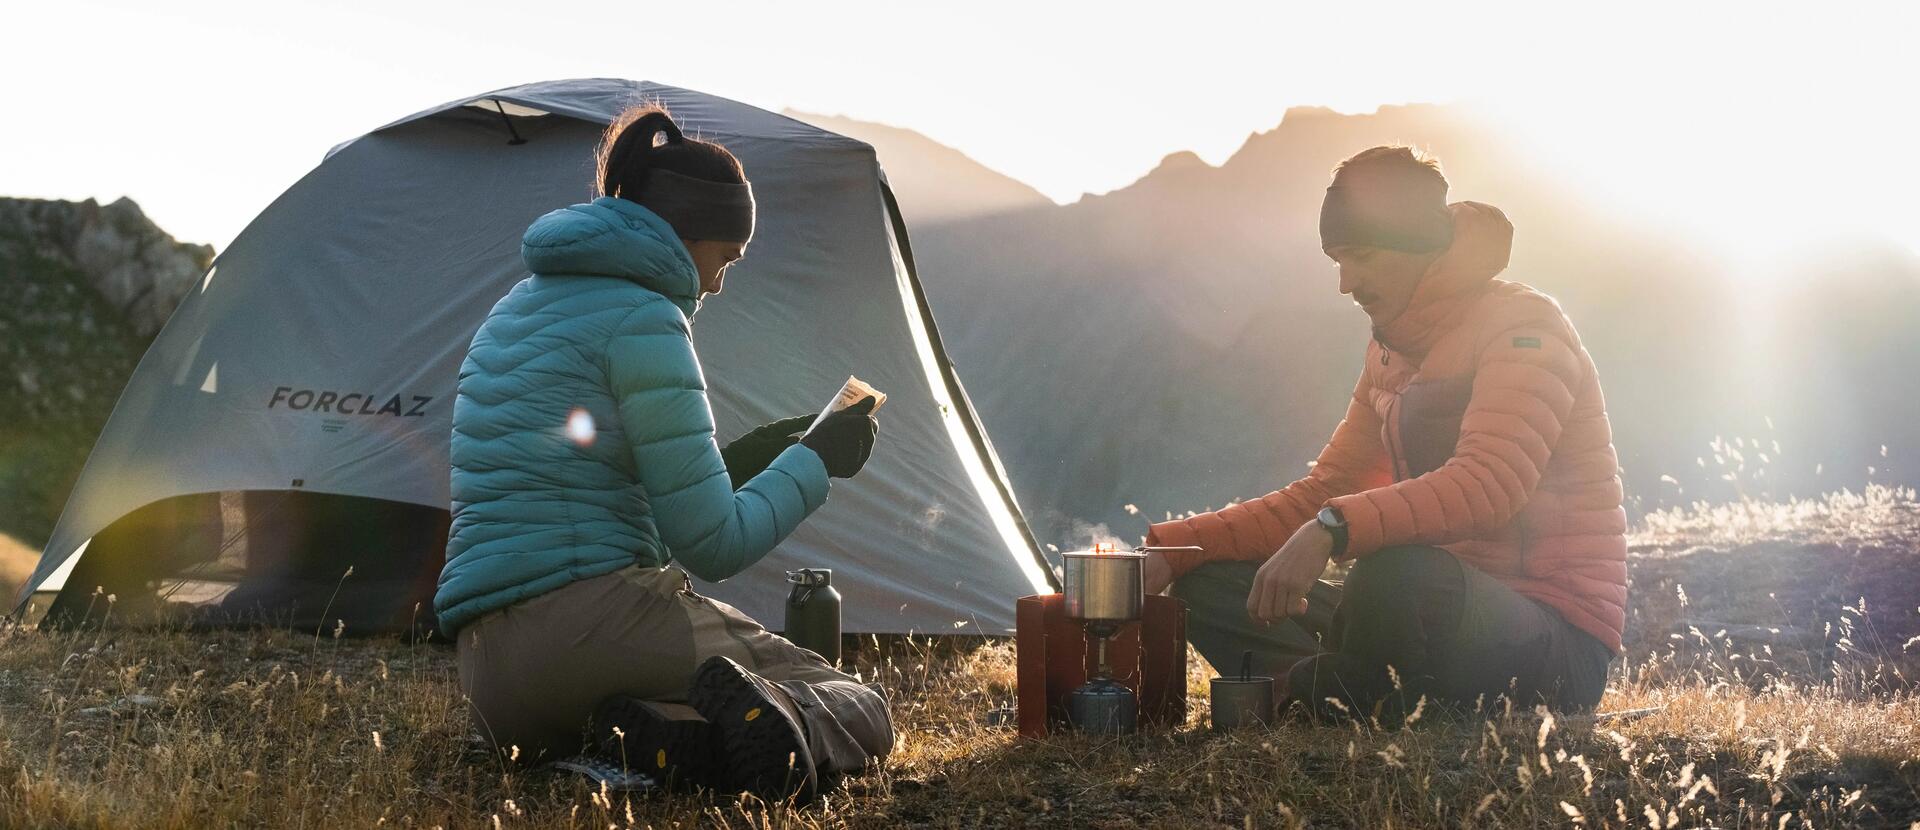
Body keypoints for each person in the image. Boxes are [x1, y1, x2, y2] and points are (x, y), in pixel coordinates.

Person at [436, 105, 892, 801]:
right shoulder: (646, 318)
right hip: (594, 634)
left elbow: (609, 487)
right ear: (691, 234)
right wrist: (816, 462)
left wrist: (769, 453)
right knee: (853, 702)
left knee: (706, 707)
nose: (717, 283)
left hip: (493, 684)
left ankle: (673, 738)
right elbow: (711, 544)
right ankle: (782, 733)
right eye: (726, 258)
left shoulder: (515, 307)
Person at [1142, 146, 1625, 723]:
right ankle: (1344, 690)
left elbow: (1493, 483)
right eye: (1337, 260)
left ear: (1415, 246)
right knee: (1212, 583)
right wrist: (1177, 547)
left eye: (1361, 256)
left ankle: (1324, 691)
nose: (1346, 283)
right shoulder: (1390, 353)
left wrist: (1333, 529)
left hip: (1551, 638)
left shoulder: (1525, 329)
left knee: (1392, 574)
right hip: (1424, 617)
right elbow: (1323, 490)